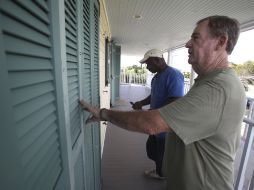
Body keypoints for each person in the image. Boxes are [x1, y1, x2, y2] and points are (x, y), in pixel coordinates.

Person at [80, 15, 246, 190]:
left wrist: (103, 113)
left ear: (220, 42)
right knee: (154, 152)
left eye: (196, 37)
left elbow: (153, 123)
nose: (188, 44)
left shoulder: (219, 88)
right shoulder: (207, 81)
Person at [131, 48, 184, 179]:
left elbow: (176, 99)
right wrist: (141, 103)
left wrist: (154, 112)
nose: (147, 67)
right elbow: (153, 95)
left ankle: (164, 175)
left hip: (166, 125)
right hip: (155, 122)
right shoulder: (156, 77)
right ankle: (160, 170)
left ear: (157, 60)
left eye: (148, 63)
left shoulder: (173, 74)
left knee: (162, 153)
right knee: (153, 151)